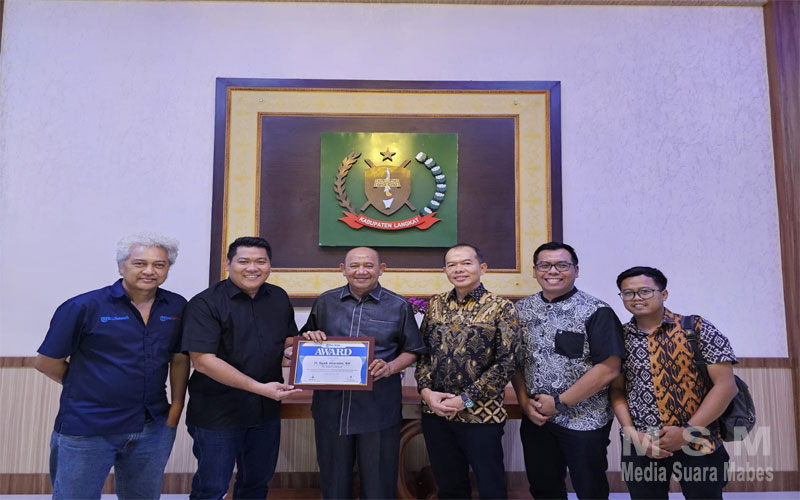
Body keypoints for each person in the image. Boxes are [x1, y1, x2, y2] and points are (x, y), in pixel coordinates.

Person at [34, 232, 188, 499]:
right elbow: (46, 362)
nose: (149, 271)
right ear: (120, 266)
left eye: (159, 264)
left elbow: (179, 357)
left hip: (152, 427)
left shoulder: (176, 306)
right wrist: (86, 386)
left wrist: (175, 408)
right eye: (139, 263)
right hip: (89, 426)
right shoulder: (83, 306)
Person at [298, 247, 425, 499]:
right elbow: (304, 340)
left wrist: (390, 367)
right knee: (334, 485)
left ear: (381, 269)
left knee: (378, 485)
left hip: (378, 408)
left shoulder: (398, 305)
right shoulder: (325, 302)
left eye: (368, 265)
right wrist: (310, 337)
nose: (361, 271)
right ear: (342, 269)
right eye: (354, 265)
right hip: (331, 408)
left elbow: (413, 350)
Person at [181, 236, 301, 499]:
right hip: (218, 413)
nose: (252, 268)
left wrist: (292, 352)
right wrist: (259, 388)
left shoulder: (278, 297)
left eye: (261, 261)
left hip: (265, 412)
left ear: (270, 265)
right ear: (228, 264)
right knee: (212, 488)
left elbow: (288, 340)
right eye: (244, 261)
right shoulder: (205, 303)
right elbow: (203, 361)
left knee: (256, 484)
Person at [610, 266, 738, 499]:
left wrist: (687, 432)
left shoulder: (696, 328)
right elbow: (617, 389)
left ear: (664, 294)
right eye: (628, 293)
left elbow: (726, 386)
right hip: (641, 443)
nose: (636, 298)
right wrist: (631, 433)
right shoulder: (618, 337)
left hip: (699, 438)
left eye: (645, 291)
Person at [512, 241, 625, 500]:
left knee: (590, 489)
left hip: (584, 420)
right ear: (534, 271)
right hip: (538, 417)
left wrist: (559, 403)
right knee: (543, 487)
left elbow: (609, 369)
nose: (553, 271)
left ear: (576, 270)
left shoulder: (596, 311)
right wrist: (523, 401)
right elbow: (514, 362)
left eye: (562, 265)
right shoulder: (521, 310)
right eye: (545, 265)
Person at [414, 243, 519, 499]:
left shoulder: (501, 307)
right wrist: (426, 393)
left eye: (466, 263)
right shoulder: (435, 305)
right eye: (452, 264)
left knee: (491, 487)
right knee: (449, 487)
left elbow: (506, 362)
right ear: (445, 270)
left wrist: (465, 399)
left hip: (480, 414)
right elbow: (423, 353)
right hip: (437, 412)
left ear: (482, 268)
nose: (459, 269)